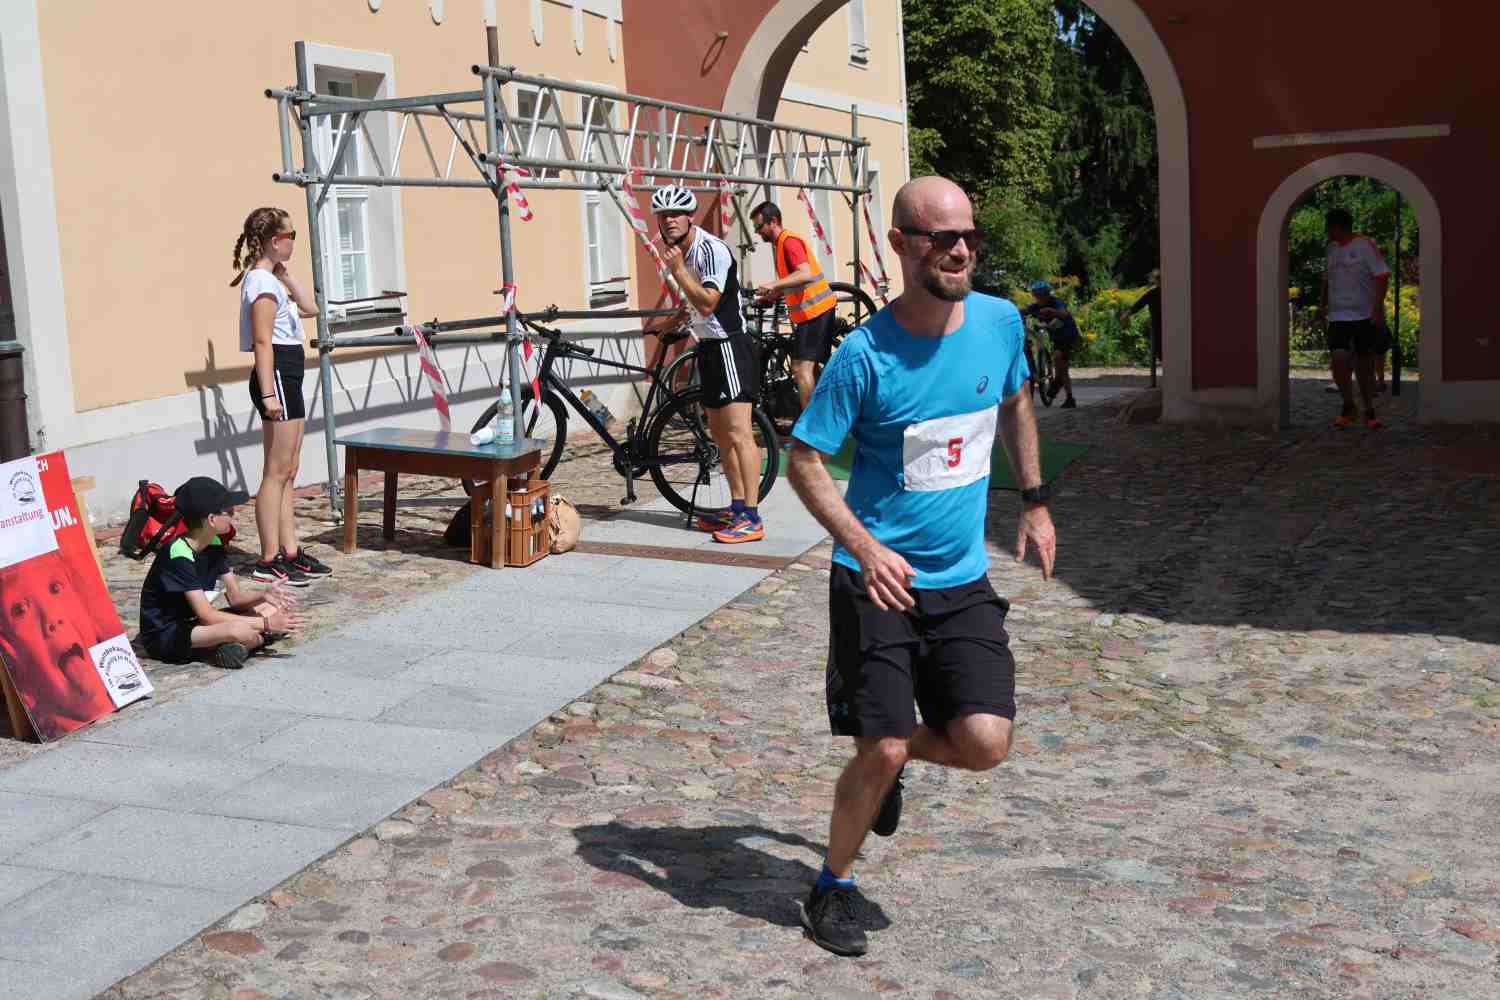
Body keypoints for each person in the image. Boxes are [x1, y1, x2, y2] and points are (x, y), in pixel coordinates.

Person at [786, 176, 1057, 957]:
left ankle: (890, 746)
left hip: (961, 579)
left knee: (985, 743)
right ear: (901, 245)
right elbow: (804, 459)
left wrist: (1034, 500)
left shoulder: (1000, 323)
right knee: (879, 748)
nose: (961, 250)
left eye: (969, 235)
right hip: (876, 580)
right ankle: (831, 886)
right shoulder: (864, 356)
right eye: (942, 238)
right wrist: (866, 547)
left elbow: (1015, 402)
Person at [652, 185, 766, 544]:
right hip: (709, 348)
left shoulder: (710, 249)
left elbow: (707, 302)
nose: (669, 220)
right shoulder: (682, 252)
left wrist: (677, 271)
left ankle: (752, 517)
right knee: (719, 434)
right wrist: (670, 323)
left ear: (690, 217)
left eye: (675, 214)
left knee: (739, 433)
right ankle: (736, 507)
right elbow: (692, 305)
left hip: (730, 345)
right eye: (663, 215)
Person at [231, 207, 331, 584]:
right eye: (291, 236)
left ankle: (290, 551)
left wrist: (286, 274)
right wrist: (269, 394)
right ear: (275, 240)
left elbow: (311, 308)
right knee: (275, 472)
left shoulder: (272, 279)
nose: (293, 242)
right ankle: (268, 557)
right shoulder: (259, 282)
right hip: (276, 375)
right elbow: (262, 341)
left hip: (290, 371)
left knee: (289, 468)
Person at [137, 476, 304, 670]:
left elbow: (235, 597)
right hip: (167, 634)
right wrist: (266, 625)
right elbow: (207, 616)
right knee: (238, 629)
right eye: (229, 511)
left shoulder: (213, 543)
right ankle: (238, 644)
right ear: (211, 519)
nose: (234, 514)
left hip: (195, 623)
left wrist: (263, 595)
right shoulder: (179, 555)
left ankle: (234, 645)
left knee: (271, 608)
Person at [749, 201, 838, 410]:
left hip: (816, 311)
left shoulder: (789, 242)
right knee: (807, 369)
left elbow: (805, 274)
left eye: (759, 226)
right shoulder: (780, 245)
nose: (757, 232)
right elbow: (793, 282)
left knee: (801, 369)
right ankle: (822, 414)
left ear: (773, 221)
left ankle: (810, 424)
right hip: (810, 314)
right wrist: (772, 295)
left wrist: (773, 284)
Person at [1321, 208, 1390, 429]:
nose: (1327, 232)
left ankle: (1369, 409)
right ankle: (1348, 404)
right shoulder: (1331, 249)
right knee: (1338, 359)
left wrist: (1377, 308)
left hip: (1363, 315)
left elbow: (1382, 276)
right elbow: (1327, 279)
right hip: (1338, 316)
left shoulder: (1365, 245)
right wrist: (1322, 305)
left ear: (1338, 227)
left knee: (1364, 365)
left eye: (1328, 227)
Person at [1023, 280, 1080, 408]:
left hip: (1069, 336)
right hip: (1057, 338)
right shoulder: (1035, 306)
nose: (1039, 298)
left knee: (1059, 359)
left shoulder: (1056, 302)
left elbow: (1065, 313)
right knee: (1060, 366)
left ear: (1047, 294)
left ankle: (1067, 395)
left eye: (1042, 294)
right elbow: (1023, 311)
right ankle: (1061, 387)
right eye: (1036, 295)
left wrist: (1051, 311)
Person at [1121, 268, 1163, 380]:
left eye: (1158, 279)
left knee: (1161, 352)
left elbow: (1139, 304)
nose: (1157, 281)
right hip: (1158, 326)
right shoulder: (1152, 293)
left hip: (1161, 326)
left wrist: (1127, 314)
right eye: (1157, 279)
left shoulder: (1159, 293)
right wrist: (1127, 314)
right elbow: (1139, 304)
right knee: (1160, 351)